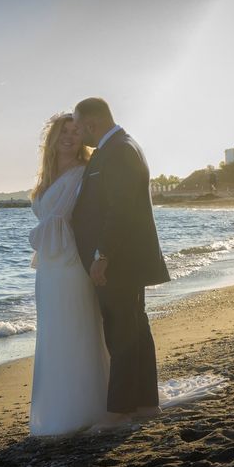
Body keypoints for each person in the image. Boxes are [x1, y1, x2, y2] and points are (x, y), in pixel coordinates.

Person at [71, 97, 170, 430]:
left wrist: (102, 256)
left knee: (121, 332)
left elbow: (120, 210)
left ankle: (119, 411)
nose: (77, 130)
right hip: (126, 258)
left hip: (121, 261)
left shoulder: (118, 151)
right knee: (135, 327)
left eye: (78, 123)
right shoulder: (120, 146)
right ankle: (145, 403)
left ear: (91, 123)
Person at [28, 113, 112, 436]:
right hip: (48, 270)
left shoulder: (86, 172)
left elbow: (96, 215)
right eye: (64, 130)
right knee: (53, 334)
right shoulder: (44, 178)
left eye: (76, 131)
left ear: (84, 137)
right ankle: (56, 410)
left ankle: (87, 407)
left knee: (78, 329)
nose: (70, 136)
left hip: (73, 264)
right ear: (53, 137)